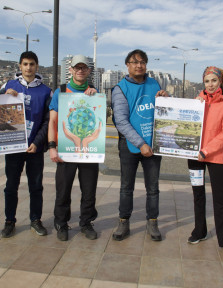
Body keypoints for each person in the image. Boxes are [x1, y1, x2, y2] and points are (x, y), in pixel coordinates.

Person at [111, 49, 168, 241]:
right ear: (127, 65)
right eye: (134, 62)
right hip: (130, 146)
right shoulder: (120, 88)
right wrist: (141, 143)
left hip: (153, 144)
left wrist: (165, 98)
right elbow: (121, 121)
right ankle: (123, 221)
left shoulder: (154, 84)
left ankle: (152, 221)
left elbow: (162, 111)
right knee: (126, 187)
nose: (139, 65)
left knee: (153, 188)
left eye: (142, 62)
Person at [0, 51, 52, 238]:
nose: (28, 67)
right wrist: (5, 97)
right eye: (25, 64)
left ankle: (35, 220)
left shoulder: (46, 91)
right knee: (11, 185)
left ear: (37, 66)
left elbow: (48, 121)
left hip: (34, 148)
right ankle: (9, 221)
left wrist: (38, 142)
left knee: (36, 186)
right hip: (13, 146)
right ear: (20, 66)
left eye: (32, 64)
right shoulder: (9, 85)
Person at [48, 55, 99, 241]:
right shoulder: (60, 91)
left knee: (89, 190)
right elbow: (53, 121)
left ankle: (86, 222)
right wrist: (52, 146)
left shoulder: (94, 91)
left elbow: (98, 114)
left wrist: (95, 97)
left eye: (84, 67)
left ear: (88, 71)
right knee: (63, 190)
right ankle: (61, 223)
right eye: (77, 67)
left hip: (88, 153)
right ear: (70, 70)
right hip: (65, 151)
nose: (80, 70)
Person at [187, 66, 223, 256]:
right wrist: (194, 106)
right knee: (198, 194)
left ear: (220, 82)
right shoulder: (197, 101)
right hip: (195, 157)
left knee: (220, 198)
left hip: (215, 157)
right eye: (207, 81)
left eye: (214, 81)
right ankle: (200, 231)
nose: (210, 84)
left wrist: (207, 150)